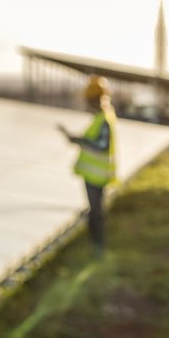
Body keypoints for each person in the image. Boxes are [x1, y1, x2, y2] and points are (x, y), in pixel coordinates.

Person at [57, 75, 118, 252]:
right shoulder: (102, 117)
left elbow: (101, 145)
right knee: (95, 211)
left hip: (97, 175)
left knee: (96, 213)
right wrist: (77, 139)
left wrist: (80, 140)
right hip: (95, 173)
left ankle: (98, 248)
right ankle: (96, 246)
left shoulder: (104, 119)